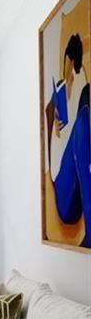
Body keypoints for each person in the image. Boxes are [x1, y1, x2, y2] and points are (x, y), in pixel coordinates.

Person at [50, 33, 91, 246]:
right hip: (65, 196)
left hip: (77, 175)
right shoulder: (61, 90)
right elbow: (56, 147)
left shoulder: (82, 83)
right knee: (81, 124)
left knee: (84, 113)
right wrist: (58, 126)